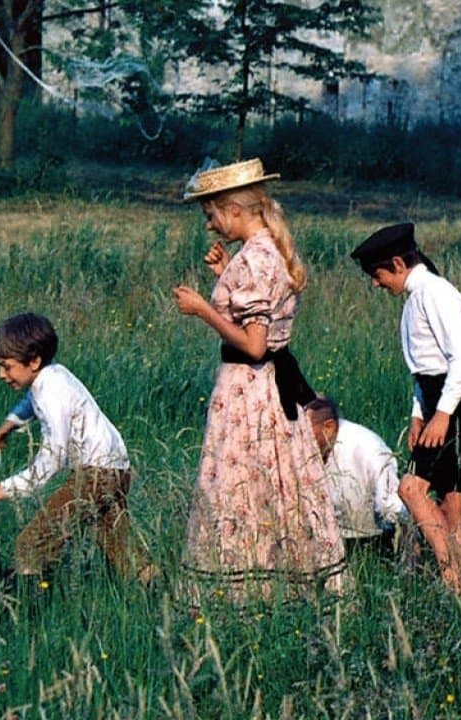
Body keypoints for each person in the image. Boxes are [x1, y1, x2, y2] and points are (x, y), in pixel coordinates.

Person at [173, 158, 346, 604]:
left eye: (211, 215)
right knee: (272, 483)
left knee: (239, 485)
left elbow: (254, 345)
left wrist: (204, 309)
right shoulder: (267, 249)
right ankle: (282, 582)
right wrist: (226, 275)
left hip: (248, 386)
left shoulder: (256, 260)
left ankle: (248, 593)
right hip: (272, 386)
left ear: (233, 209)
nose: (210, 226)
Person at [351, 222, 461, 594]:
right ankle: (460, 576)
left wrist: (442, 415)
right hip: (440, 399)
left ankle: (452, 579)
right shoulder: (416, 298)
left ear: (397, 263)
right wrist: (419, 414)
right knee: (452, 498)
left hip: (458, 400)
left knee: (410, 489)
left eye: (377, 275)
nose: (376, 284)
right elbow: (424, 367)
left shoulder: (435, 293)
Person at [0, 312, 152, 583]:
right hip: (116, 470)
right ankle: (157, 593)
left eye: (7, 366)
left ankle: (34, 610)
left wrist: (6, 488)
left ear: (33, 361)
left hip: (96, 475)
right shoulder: (54, 375)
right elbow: (32, 400)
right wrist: (11, 423)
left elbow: (53, 458)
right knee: (121, 547)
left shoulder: (51, 392)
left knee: (32, 544)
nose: (1, 374)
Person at [303, 396, 406, 556]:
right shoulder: (298, 451)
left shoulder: (368, 450)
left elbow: (393, 510)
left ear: (329, 427)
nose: (296, 440)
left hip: (373, 543)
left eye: (302, 432)